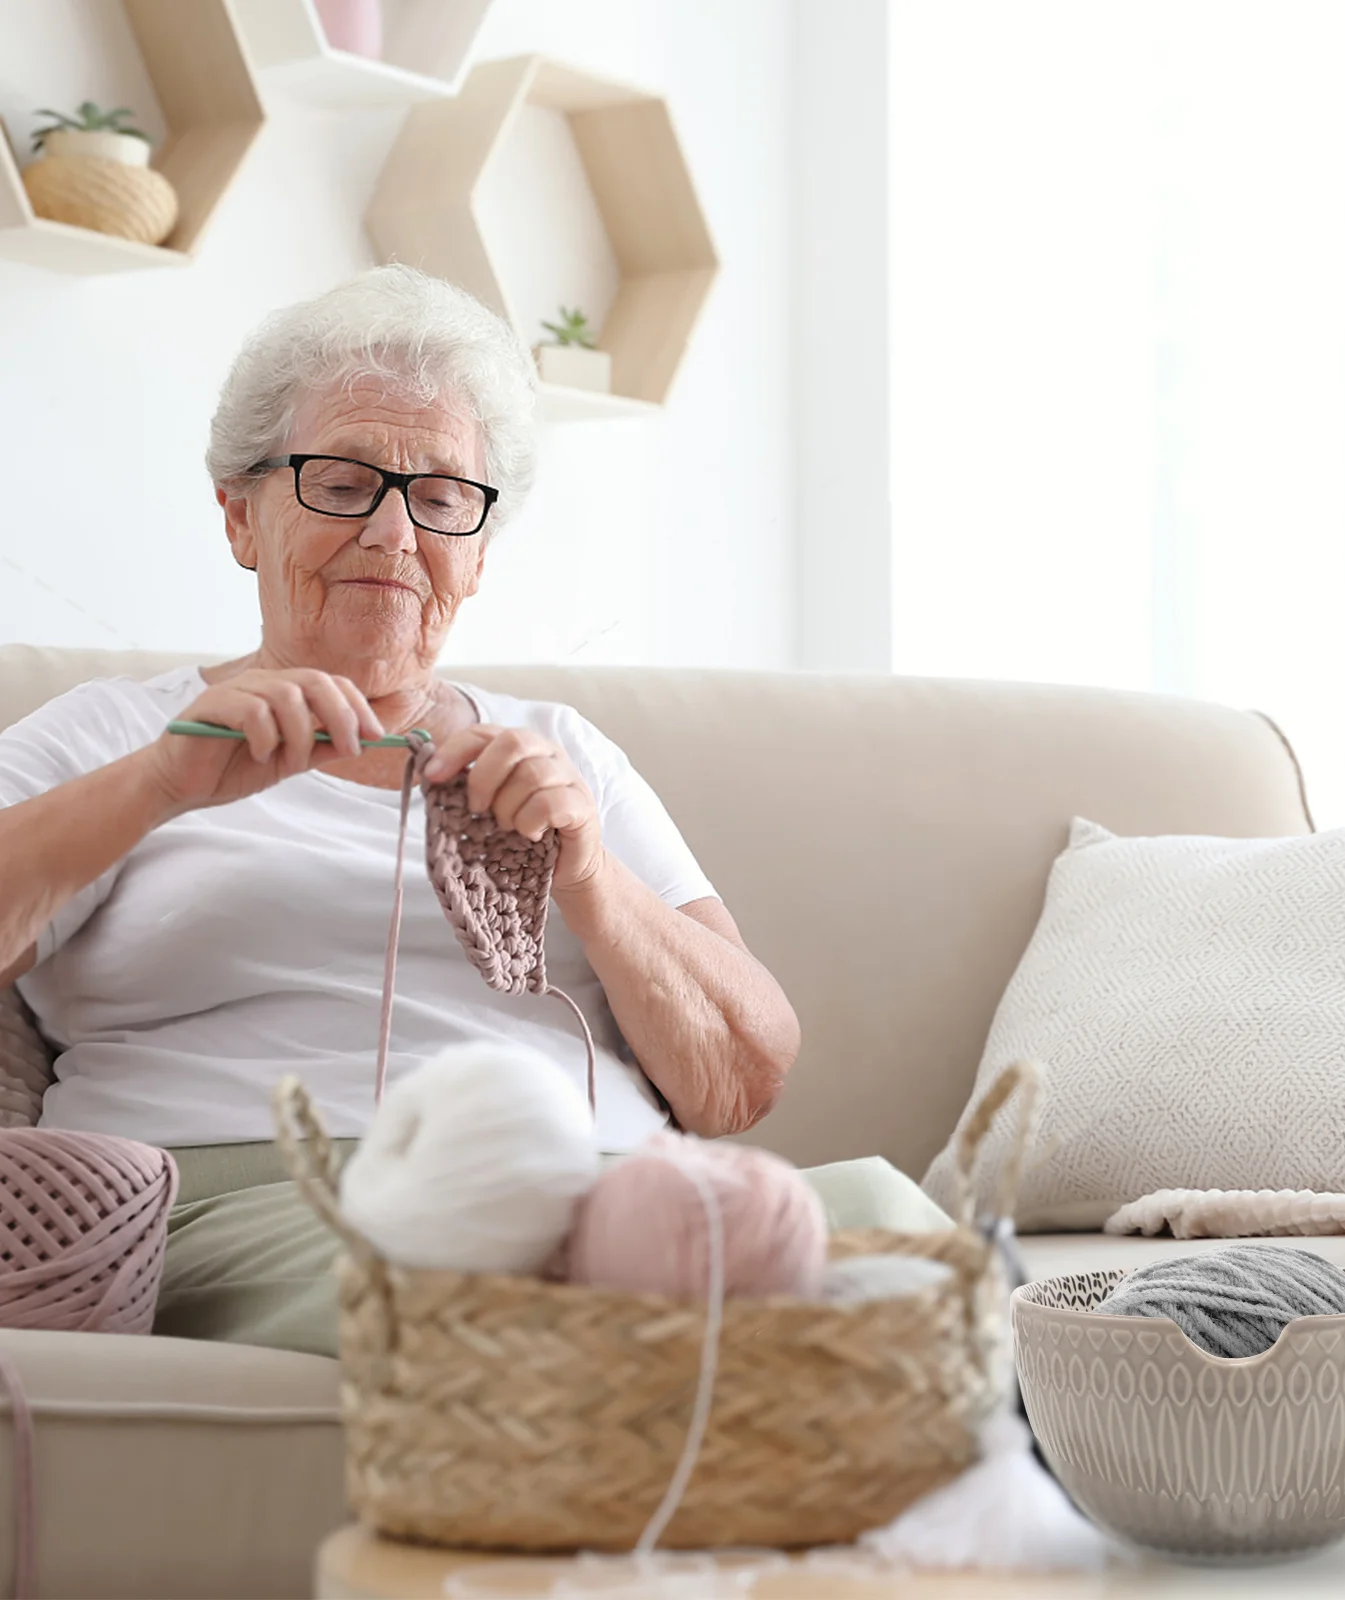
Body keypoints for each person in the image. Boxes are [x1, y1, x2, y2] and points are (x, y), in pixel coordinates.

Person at [0, 266, 946, 1355]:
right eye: (342, 481)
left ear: (479, 553)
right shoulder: (118, 732)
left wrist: (588, 875)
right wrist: (158, 786)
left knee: (892, 1235)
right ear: (240, 515)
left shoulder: (565, 751)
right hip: (267, 1199)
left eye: (443, 498)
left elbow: (742, 1075)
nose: (395, 536)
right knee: (504, 1304)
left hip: (599, 1200)